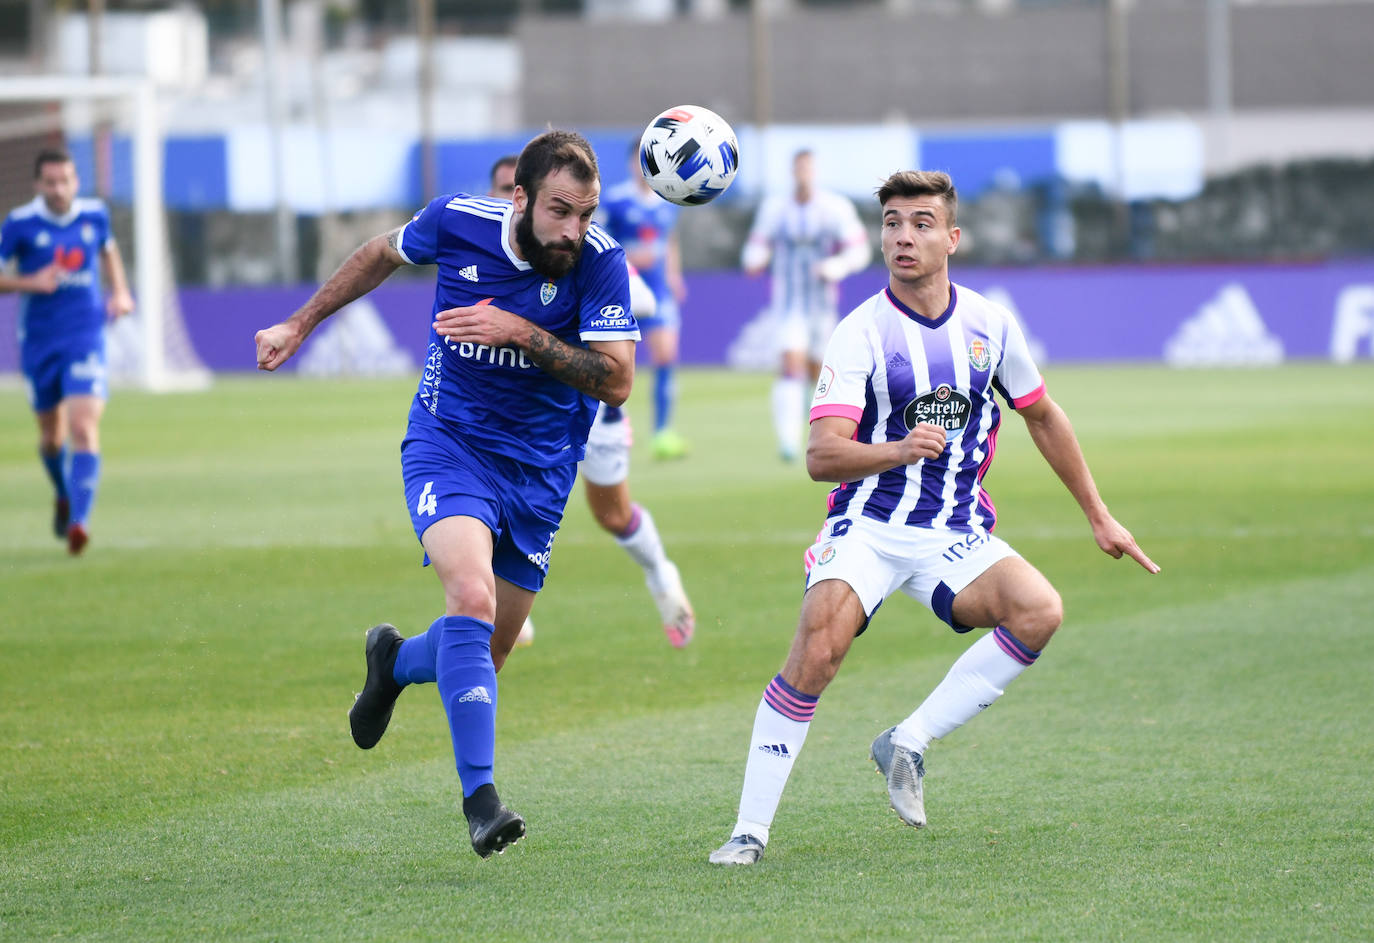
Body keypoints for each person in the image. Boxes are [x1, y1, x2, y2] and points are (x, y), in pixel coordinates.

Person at [709, 170, 1159, 866]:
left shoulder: (991, 324)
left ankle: (909, 740)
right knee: (816, 651)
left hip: (953, 531)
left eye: (920, 223)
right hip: (868, 524)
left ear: (952, 237)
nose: (903, 236)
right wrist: (896, 448)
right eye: (891, 222)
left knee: (1039, 609)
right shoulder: (862, 331)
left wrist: (1100, 517)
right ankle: (748, 830)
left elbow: (1041, 413)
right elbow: (821, 456)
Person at [254, 130, 638, 859]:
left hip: (541, 473)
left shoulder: (599, 262)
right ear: (519, 197)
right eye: (560, 211)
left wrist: (518, 330)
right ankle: (482, 801)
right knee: (470, 596)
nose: (573, 230)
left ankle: (394, 661)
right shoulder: (457, 219)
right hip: (448, 443)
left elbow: (617, 380)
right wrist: (299, 323)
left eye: (585, 213)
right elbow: (378, 254)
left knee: (482, 658)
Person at [489, 157, 695, 649]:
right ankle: (497, 602)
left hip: (590, 410)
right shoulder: (479, 251)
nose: (502, 199)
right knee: (481, 498)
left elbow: (643, 300)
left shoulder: (582, 248)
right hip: (513, 412)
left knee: (612, 514)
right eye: (498, 189)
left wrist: (591, 308)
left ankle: (661, 573)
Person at [0, 147, 134, 555]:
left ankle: (79, 521)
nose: (59, 189)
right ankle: (62, 492)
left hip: (85, 334)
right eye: (51, 182)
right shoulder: (19, 224)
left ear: (76, 181)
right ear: (39, 184)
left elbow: (108, 252)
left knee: (83, 428)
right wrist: (31, 282)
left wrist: (121, 292)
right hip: (40, 341)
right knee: (51, 437)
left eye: (66, 181)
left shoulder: (95, 214)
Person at [741, 149, 870, 462]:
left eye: (808, 169)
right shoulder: (775, 209)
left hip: (822, 307)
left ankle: (832, 435)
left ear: (815, 172)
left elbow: (860, 250)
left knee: (820, 373)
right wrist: (757, 259)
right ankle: (787, 442)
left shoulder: (834, 208)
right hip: (788, 306)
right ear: (792, 172)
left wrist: (836, 266)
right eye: (798, 169)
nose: (803, 175)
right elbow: (753, 249)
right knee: (790, 365)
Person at [597, 142, 689, 460]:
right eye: (637, 161)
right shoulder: (616, 201)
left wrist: (674, 275)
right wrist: (630, 257)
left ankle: (663, 432)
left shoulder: (667, 200)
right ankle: (609, 423)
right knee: (615, 364)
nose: (642, 167)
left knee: (666, 356)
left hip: (659, 291)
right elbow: (600, 242)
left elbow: (671, 241)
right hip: (624, 291)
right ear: (630, 165)